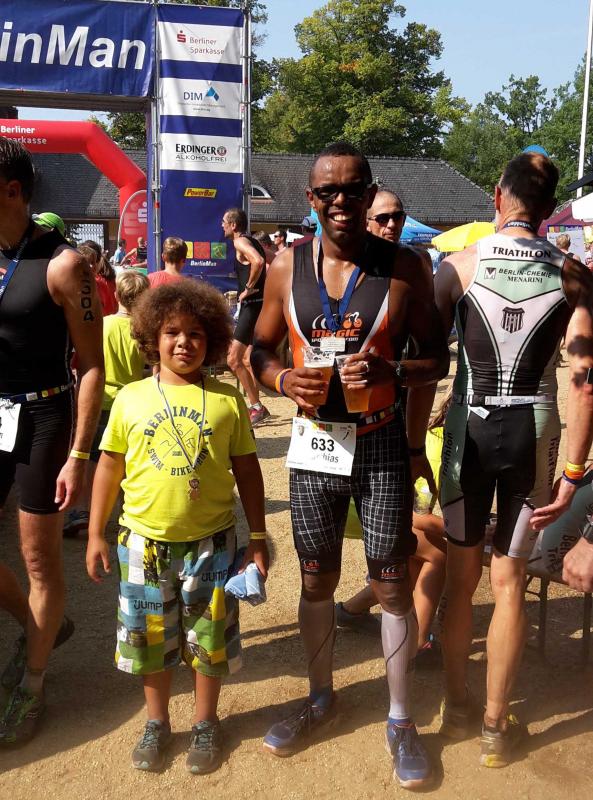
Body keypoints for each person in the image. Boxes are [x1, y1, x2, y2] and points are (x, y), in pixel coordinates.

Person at [251, 142, 449, 788]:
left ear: (369, 194)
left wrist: (393, 370)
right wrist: (283, 380)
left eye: (353, 189)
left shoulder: (405, 267)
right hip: (315, 446)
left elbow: (437, 359)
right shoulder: (285, 266)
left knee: (390, 582)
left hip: (381, 441)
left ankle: (400, 719)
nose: (341, 201)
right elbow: (257, 350)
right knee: (316, 579)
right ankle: (319, 698)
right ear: (310, 199)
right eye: (327, 191)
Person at [434, 152, 593, 768]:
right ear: (550, 209)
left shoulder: (458, 265)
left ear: (497, 198)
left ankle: (456, 704)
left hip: (468, 429)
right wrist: (573, 471)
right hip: (534, 431)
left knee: (461, 578)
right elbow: (583, 381)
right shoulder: (573, 274)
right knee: (509, 582)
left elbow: (423, 359)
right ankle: (495, 730)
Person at [86, 280, 269, 775]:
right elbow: (109, 467)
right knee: (149, 641)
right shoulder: (130, 399)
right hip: (142, 544)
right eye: (171, 332)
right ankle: (157, 722)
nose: (184, 342)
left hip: (213, 544)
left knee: (209, 640)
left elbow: (248, 470)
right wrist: (96, 532)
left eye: (195, 333)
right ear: (152, 337)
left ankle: (206, 722)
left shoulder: (228, 401)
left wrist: (257, 537)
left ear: (212, 339)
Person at [0, 137, 104, 745]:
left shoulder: (64, 265)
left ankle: (32, 685)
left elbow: (91, 365)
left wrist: (80, 454)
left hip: (42, 416)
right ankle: (39, 625)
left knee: (39, 560)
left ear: (13, 191)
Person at [336, 189, 447, 661]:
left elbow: (428, 371)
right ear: (363, 219)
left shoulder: (411, 272)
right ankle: (404, 634)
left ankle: (365, 612)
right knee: (423, 552)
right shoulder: (337, 274)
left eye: (398, 216)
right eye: (382, 217)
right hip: (345, 443)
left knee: (409, 549)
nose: (392, 225)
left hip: (392, 441)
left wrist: (415, 446)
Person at [337, 392, 449, 665]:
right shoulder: (440, 449)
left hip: (368, 501)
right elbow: (417, 518)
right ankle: (419, 643)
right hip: (361, 507)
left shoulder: (437, 436)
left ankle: (351, 611)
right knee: (437, 554)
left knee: (414, 560)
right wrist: (468, 531)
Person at [64, 270, 150, 537]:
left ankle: (82, 511)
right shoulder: (142, 332)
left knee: (90, 458)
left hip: (100, 402)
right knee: (127, 460)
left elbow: (84, 364)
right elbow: (148, 369)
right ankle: (128, 511)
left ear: (116, 294)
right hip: (132, 405)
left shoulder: (102, 325)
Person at [222, 208, 270, 427]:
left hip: (251, 306)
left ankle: (256, 406)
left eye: (224, 222)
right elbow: (270, 261)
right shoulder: (253, 241)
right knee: (246, 359)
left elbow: (258, 262)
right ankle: (257, 406)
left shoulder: (240, 242)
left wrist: (249, 288)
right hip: (257, 304)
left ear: (233, 225)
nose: (221, 225)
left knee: (233, 359)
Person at [79, 240, 118, 316]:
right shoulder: (108, 274)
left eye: (92, 262)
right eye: (87, 262)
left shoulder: (97, 282)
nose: (91, 266)